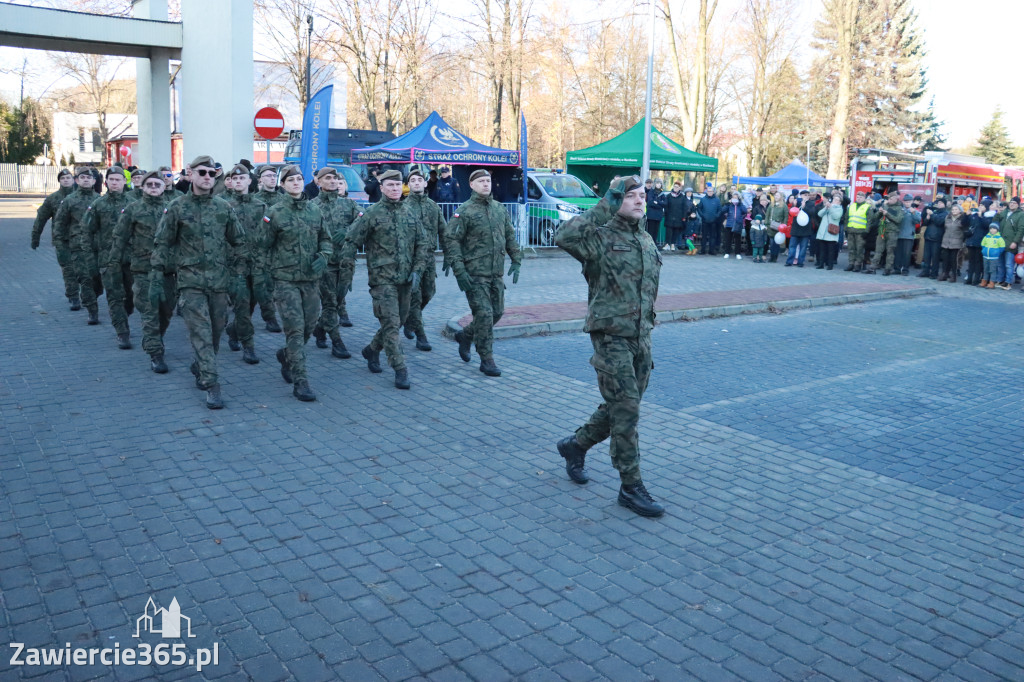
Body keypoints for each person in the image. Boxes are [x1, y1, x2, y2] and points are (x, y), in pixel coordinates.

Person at [553, 175, 664, 518]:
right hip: (610, 335)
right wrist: (606, 204)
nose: (639, 200)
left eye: (642, 195)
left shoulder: (645, 238)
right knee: (627, 408)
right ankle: (631, 487)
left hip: (641, 336)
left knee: (620, 406)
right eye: (631, 196)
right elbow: (563, 236)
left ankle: (575, 445)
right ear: (616, 200)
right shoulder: (598, 238)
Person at [151, 155, 245, 409]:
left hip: (219, 282)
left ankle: (200, 365)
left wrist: (238, 274)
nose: (207, 177)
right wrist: (156, 277)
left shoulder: (224, 207)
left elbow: (240, 242)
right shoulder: (178, 207)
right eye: (202, 172)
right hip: (190, 282)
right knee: (201, 333)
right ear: (190, 174)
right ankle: (212, 384)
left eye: (212, 173)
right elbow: (162, 243)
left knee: (215, 333)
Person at [338, 169, 430, 389]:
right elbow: (350, 241)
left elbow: (423, 243)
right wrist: (347, 271)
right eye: (390, 185)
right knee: (390, 323)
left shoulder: (410, 213)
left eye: (398, 185)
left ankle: (371, 350)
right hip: (382, 280)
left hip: (406, 279)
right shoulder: (372, 214)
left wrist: (417, 269)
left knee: (397, 322)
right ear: (381, 188)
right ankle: (400, 368)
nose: (395, 189)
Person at [264, 165, 332, 401]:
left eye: (299, 179)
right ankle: (300, 381)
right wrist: (265, 277)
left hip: (310, 281)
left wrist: (324, 256)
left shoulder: (314, 210)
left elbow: (326, 239)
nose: (295, 182)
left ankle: (286, 355)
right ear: (282, 185)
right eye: (290, 180)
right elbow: (262, 246)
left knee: (309, 327)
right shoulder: (274, 212)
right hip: (285, 280)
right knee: (295, 329)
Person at [446, 169, 522, 378]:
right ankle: (486, 359)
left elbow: (509, 235)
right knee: (485, 314)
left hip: (495, 273)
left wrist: (516, 259)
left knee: (497, 313)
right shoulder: (465, 211)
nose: (485, 184)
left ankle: (465, 335)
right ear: (471, 185)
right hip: (474, 274)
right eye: (480, 181)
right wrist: (459, 270)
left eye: (488, 181)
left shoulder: (499, 209)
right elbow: (452, 241)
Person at [107, 170, 176, 373]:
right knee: (149, 312)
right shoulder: (133, 209)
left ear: (164, 187)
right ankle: (155, 352)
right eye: (150, 185)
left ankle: (157, 338)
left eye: (157, 185)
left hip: (168, 271)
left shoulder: (172, 209)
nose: (153, 188)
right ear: (142, 187)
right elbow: (119, 238)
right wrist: (113, 263)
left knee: (167, 311)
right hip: (143, 270)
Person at [79, 166, 134, 348]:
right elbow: (86, 233)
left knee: (132, 297)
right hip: (108, 260)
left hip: (132, 260)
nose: (115, 183)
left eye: (119, 180)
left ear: (124, 182)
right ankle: (122, 332)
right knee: (115, 297)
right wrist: (90, 260)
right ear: (106, 182)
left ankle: (124, 316)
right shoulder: (98, 205)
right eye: (112, 180)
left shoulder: (133, 203)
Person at [311, 166, 362, 358]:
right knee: (330, 303)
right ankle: (337, 341)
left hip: (346, 261)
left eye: (335, 178)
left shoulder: (347, 203)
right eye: (328, 178)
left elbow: (363, 218)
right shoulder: (312, 206)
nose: (333, 181)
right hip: (325, 263)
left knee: (339, 299)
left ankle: (320, 329)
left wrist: (348, 231)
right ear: (319, 182)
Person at [222, 164, 265, 365]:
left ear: (249, 181)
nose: (238, 181)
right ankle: (249, 347)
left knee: (250, 306)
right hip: (234, 265)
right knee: (241, 305)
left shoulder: (260, 206)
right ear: (230, 183)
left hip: (256, 265)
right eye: (235, 179)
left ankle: (233, 330)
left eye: (242, 178)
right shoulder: (223, 205)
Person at [402, 168, 447, 351]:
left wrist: (448, 255)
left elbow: (444, 232)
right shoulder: (403, 207)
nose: (417, 183)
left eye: (420, 180)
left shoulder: (433, 207)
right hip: (409, 260)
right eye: (413, 180)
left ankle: (409, 319)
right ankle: (421, 335)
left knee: (428, 293)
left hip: (428, 258)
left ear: (425, 183)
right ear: (409, 184)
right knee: (414, 296)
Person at [54, 167, 103, 324]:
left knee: (97, 280)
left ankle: (90, 297)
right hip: (78, 246)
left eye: (89, 178)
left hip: (98, 247)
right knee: (86, 278)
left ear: (94, 181)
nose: (86, 180)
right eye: (82, 177)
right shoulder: (69, 200)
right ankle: (92, 311)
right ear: (77, 180)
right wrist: (60, 246)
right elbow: (60, 224)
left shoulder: (100, 200)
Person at [31, 169, 79, 308]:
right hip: (61, 239)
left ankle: (77, 292)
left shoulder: (80, 197)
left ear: (73, 180)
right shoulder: (53, 199)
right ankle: (73, 295)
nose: (65, 180)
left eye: (68, 177)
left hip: (80, 239)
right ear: (59, 181)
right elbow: (41, 218)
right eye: (62, 178)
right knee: (68, 268)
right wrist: (35, 237)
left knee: (81, 269)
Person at [866, 193, 905, 275]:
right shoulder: (885, 206)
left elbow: (898, 220)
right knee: (878, 250)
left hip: (892, 232)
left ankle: (888, 269)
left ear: (895, 199)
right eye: (888, 199)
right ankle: (873, 267)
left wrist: (887, 214)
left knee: (890, 251)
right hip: (882, 231)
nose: (888, 201)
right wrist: (879, 212)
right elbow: (875, 217)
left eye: (890, 199)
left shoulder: (899, 208)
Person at [995, 198, 1024, 290]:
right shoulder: (1004, 212)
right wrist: (998, 213)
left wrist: (1015, 242)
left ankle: (1008, 282)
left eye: (1014, 203)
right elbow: (995, 221)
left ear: (1018, 205)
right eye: (1011, 203)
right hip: (1001, 242)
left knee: (1008, 264)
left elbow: (1021, 230)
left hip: (1011, 242)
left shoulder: (1020, 214)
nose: (1012, 204)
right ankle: (1000, 280)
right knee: (1000, 264)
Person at [938, 204, 970, 282]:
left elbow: (965, 228)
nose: (954, 211)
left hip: (957, 241)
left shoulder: (962, 219)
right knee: (945, 259)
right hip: (946, 240)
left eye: (956, 209)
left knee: (953, 260)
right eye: (953, 209)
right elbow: (945, 228)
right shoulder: (947, 217)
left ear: (960, 210)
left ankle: (954, 275)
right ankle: (944, 274)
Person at [918, 197, 947, 279]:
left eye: (941, 203)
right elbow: (925, 223)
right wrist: (927, 218)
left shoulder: (945, 213)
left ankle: (934, 273)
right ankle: (925, 271)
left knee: (935, 257)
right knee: (926, 257)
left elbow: (939, 222)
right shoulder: (934, 212)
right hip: (928, 236)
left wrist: (932, 215)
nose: (939, 204)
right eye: (938, 203)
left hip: (937, 238)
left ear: (944, 205)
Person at [965, 203, 993, 286]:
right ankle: (969, 278)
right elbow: (965, 224)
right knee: (971, 261)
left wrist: (981, 217)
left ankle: (976, 279)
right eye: (979, 205)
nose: (980, 207)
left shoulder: (988, 216)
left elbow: (987, 226)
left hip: (981, 241)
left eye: (982, 206)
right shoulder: (974, 215)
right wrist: (967, 215)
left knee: (978, 262)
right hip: (971, 240)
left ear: (986, 208)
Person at [844, 191, 872, 272]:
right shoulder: (852, 206)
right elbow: (846, 218)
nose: (858, 198)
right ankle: (851, 264)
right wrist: (846, 228)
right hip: (851, 230)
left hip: (861, 232)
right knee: (851, 249)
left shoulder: (867, 207)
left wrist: (866, 231)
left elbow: (870, 221)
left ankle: (858, 265)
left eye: (860, 197)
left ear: (864, 198)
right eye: (857, 197)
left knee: (859, 249)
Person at [786, 193, 817, 267]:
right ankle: (789, 261)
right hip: (795, 229)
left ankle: (800, 262)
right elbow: (791, 213)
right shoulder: (797, 202)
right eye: (804, 195)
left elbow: (811, 213)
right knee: (792, 246)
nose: (805, 196)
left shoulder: (811, 204)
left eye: (806, 195)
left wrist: (804, 207)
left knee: (803, 248)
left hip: (805, 230)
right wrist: (794, 205)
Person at [815, 194, 843, 270]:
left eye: (837, 200)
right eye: (834, 199)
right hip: (823, 231)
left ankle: (830, 265)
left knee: (830, 250)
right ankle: (821, 264)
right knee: (822, 249)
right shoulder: (828, 207)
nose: (835, 201)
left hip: (831, 231)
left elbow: (835, 216)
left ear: (840, 202)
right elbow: (819, 214)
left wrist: (830, 208)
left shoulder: (840, 209)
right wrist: (825, 208)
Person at [695, 185, 723, 255]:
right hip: (705, 221)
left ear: (713, 192)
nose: (709, 192)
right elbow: (699, 208)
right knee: (704, 236)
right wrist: (702, 216)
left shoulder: (717, 200)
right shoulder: (703, 199)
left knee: (712, 236)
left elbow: (720, 209)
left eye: (711, 191)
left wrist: (716, 216)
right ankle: (703, 250)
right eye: (708, 191)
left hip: (713, 221)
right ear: (706, 192)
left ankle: (711, 250)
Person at [663, 182, 688, 250]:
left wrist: (684, 217)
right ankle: (667, 244)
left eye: (677, 187)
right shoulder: (668, 196)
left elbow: (684, 208)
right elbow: (666, 206)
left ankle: (673, 244)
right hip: (669, 216)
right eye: (674, 186)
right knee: (668, 231)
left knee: (676, 232)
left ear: (680, 188)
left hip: (678, 217)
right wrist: (665, 213)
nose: (675, 188)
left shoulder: (682, 197)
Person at [720, 193, 745, 259]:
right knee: (728, 239)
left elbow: (745, 211)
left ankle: (737, 253)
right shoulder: (729, 205)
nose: (735, 199)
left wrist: (740, 203)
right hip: (729, 224)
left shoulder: (740, 205)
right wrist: (727, 203)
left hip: (738, 224)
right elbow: (723, 210)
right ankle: (727, 252)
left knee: (737, 240)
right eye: (733, 197)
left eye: (736, 198)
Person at [980, 223, 1005, 289]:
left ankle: (992, 283)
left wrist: (996, 253)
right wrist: (984, 251)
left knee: (992, 270)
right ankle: (984, 281)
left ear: (997, 230)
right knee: (985, 269)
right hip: (985, 256)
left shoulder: (999, 238)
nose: (992, 230)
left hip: (994, 257)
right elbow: (983, 244)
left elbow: (1002, 247)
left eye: (994, 228)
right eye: (991, 228)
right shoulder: (986, 237)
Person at [766, 192, 789, 263]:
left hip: (779, 227)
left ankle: (775, 256)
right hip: (771, 226)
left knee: (776, 243)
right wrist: (767, 224)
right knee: (772, 242)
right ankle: (772, 256)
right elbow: (767, 215)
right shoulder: (771, 205)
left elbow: (786, 217)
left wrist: (783, 226)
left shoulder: (784, 206)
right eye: (775, 195)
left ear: (781, 197)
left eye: (777, 195)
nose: (776, 196)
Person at [647, 180, 667, 247]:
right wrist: (659, 204)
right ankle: (650, 244)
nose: (658, 185)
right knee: (650, 230)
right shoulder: (651, 192)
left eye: (660, 183)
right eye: (657, 183)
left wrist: (657, 202)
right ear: (655, 184)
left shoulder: (662, 193)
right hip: (651, 215)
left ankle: (654, 243)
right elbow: (650, 203)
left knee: (656, 231)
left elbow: (665, 203)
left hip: (658, 215)